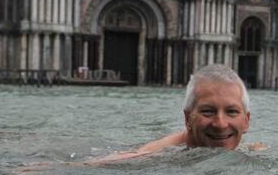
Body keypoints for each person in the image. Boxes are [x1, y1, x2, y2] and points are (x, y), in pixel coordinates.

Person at [90, 64, 262, 164]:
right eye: (207, 111)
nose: (220, 124)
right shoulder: (154, 155)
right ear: (188, 119)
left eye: (232, 111)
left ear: (246, 121)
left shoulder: (254, 149)